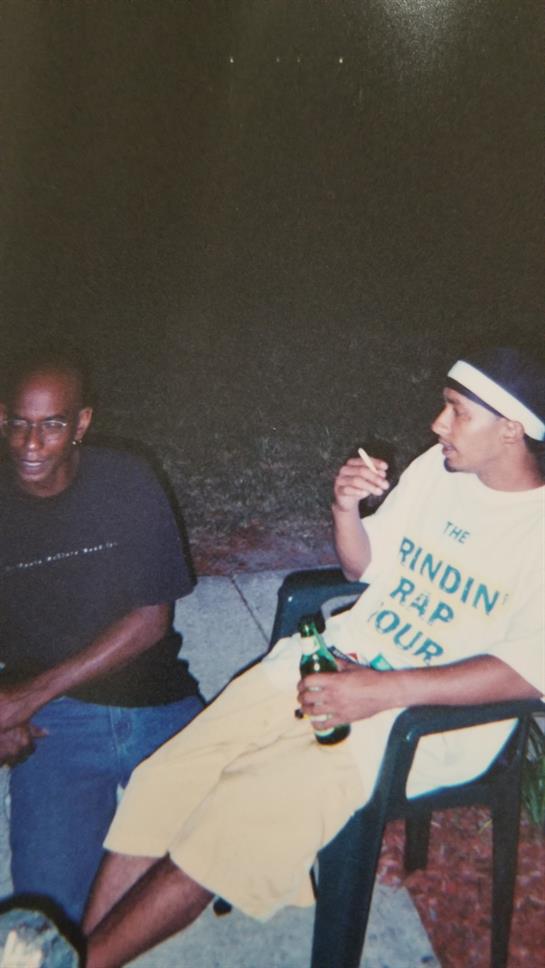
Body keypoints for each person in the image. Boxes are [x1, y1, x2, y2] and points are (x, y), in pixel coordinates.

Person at [83, 345, 544, 968]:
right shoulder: (438, 471)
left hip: (417, 719)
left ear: (511, 429)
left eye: (458, 412)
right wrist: (345, 508)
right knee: (166, 779)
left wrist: (383, 690)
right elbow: (362, 569)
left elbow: (526, 673)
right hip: (329, 664)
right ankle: (69, 951)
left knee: (234, 822)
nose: (438, 423)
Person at [0, 346, 204, 926]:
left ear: (81, 423)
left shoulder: (125, 479)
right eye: (19, 423)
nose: (31, 444)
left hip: (157, 702)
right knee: (46, 912)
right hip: (55, 728)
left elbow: (151, 620)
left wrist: (23, 698)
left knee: (221, 854)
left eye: (52, 424)